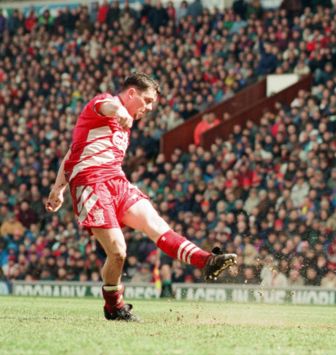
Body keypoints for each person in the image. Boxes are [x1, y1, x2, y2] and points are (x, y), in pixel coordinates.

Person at [45, 73, 237, 322]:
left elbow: (73, 151)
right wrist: (119, 111)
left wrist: (57, 187)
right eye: (146, 101)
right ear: (131, 94)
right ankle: (114, 307)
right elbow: (107, 106)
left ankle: (206, 260)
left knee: (156, 225)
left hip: (117, 181)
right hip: (92, 184)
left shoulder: (122, 123)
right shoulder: (104, 103)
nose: (148, 108)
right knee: (118, 252)